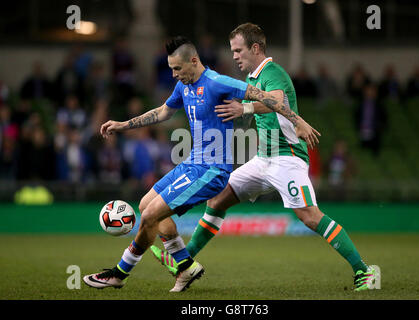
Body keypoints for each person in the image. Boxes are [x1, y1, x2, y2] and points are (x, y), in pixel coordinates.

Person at [151, 23, 378, 292]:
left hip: (287, 158)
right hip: (262, 159)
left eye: (238, 50)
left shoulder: (273, 73)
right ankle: (184, 264)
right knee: (218, 199)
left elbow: (276, 99)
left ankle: (364, 271)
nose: (234, 56)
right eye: (232, 51)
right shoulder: (250, 79)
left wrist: (245, 108)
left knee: (309, 216)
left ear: (255, 48)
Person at [83, 36, 320, 293]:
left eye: (177, 69)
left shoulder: (218, 82)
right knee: (144, 206)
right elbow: (163, 112)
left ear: (194, 61)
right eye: (171, 69)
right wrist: (123, 125)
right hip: (191, 164)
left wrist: (298, 121)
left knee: (150, 216)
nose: (174, 75)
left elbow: (269, 98)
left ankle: (119, 273)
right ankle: (185, 266)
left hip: (212, 171)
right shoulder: (183, 86)